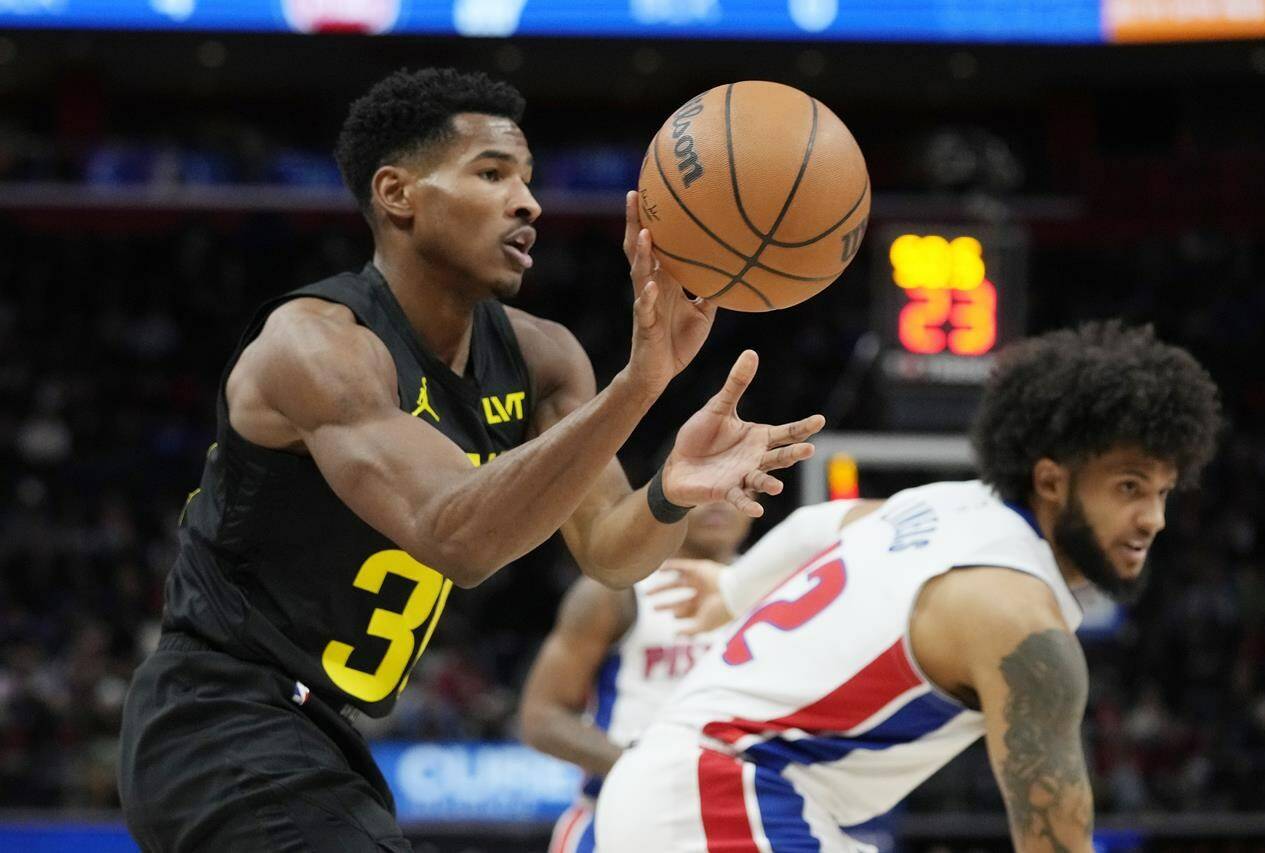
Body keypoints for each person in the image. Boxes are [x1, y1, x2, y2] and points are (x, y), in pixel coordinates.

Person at [117, 67, 824, 852]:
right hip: (217, 718)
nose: (528, 203)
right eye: (492, 174)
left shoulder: (543, 356)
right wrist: (638, 385)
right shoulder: (317, 346)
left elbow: (613, 552)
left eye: (528, 179)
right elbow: (456, 539)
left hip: (320, 731)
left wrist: (667, 493)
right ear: (397, 195)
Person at [594, 322, 1222, 853]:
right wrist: (730, 593)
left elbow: (818, 524)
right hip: (721, 798)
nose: (1154, 519)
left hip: (682, 785)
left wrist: (733, 592)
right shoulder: (1023, 621)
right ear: (1053, 481)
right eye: (1130, 488)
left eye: (1164, 492)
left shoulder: (942, 505)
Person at [519, 500, 754, 853]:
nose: (719, 503)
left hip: (733, 823)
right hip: (619, 822)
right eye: (708, 491)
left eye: (737, 490)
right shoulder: (617, 589)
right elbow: (541, 718)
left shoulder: (775, 592)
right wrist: (644, 770)